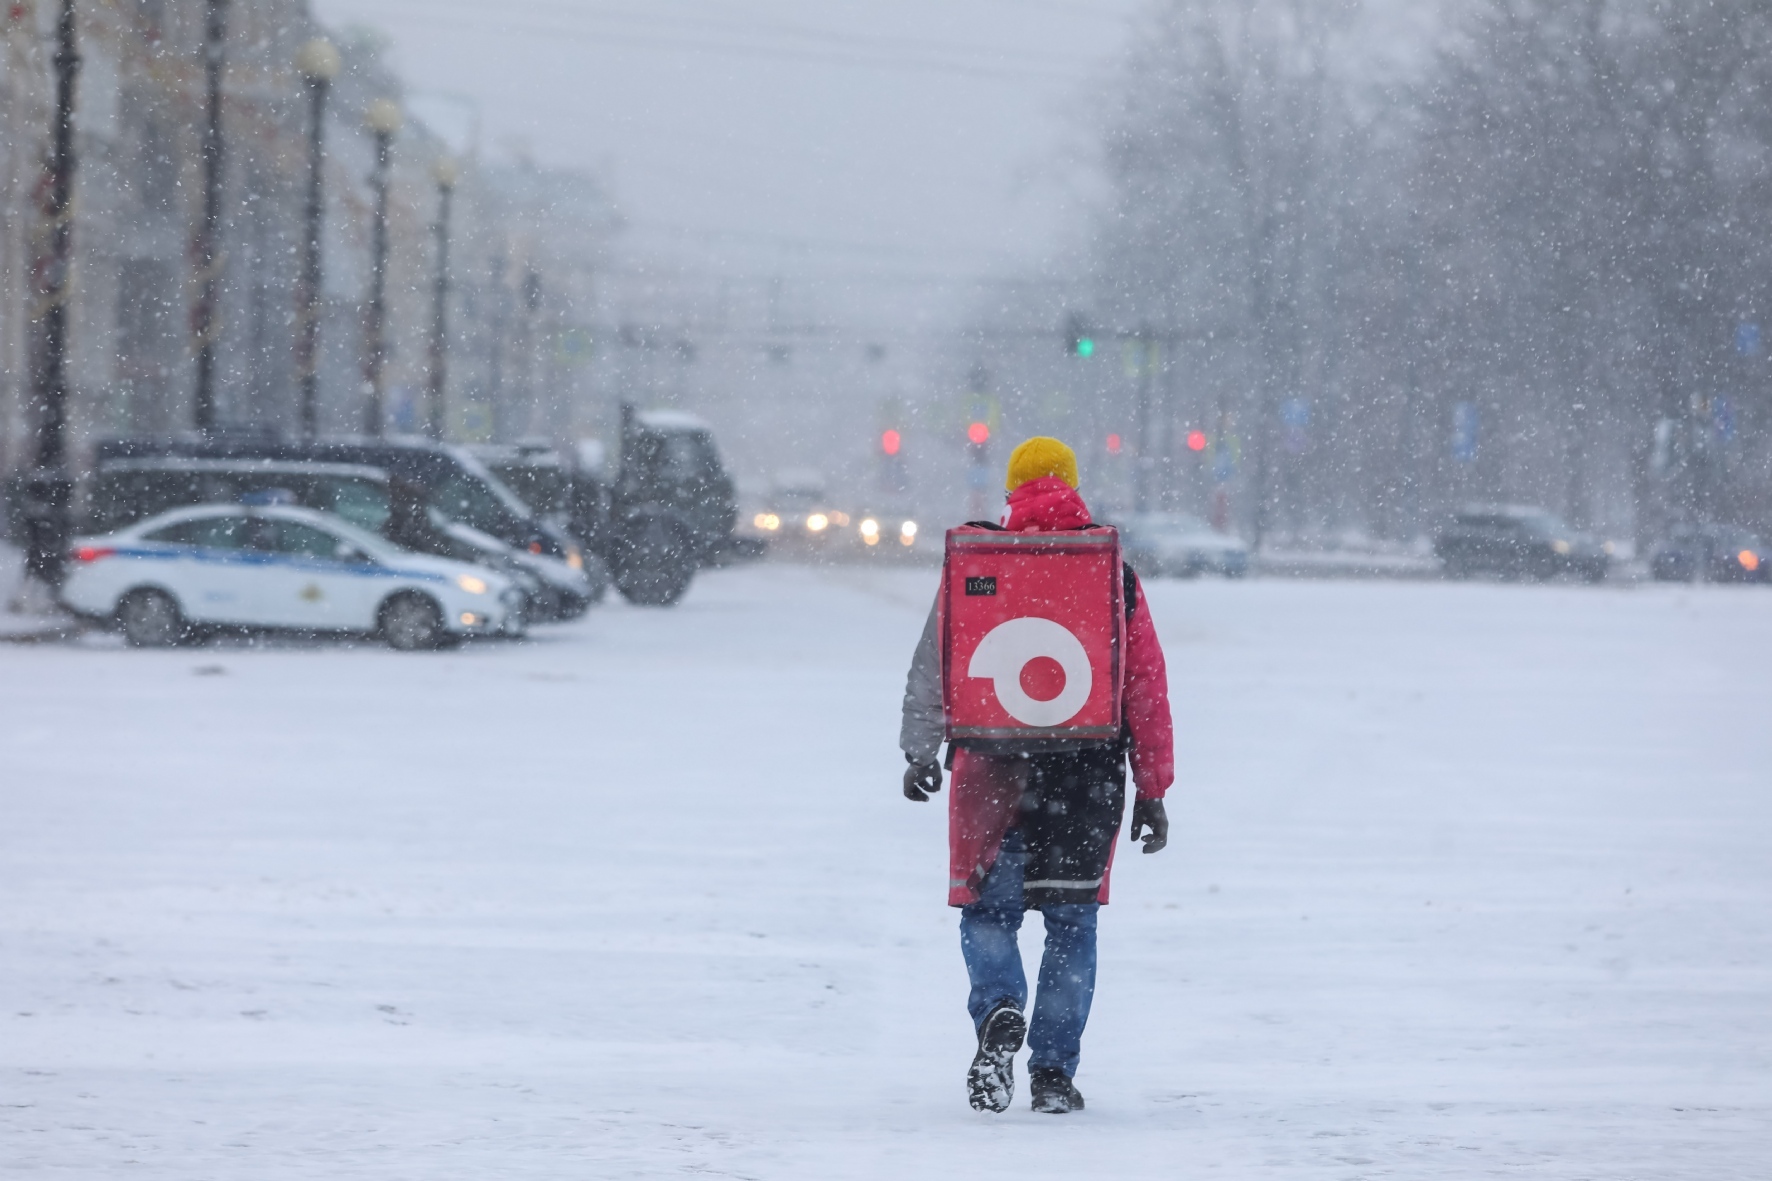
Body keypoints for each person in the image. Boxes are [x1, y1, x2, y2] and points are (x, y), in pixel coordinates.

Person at [900, 436, 1174, 1115]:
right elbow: (1145, 685)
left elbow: (937, 659)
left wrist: (919, 749)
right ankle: (1052, 1072)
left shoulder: (979, 562)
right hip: (1086, 775)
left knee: (988, 911)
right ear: (1074, 486)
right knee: (1072, 923)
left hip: (991, 767)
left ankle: (998, 1005)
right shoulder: (1113, 573)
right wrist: (1154, 787)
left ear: (1013, 490)